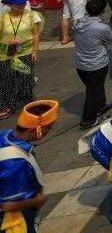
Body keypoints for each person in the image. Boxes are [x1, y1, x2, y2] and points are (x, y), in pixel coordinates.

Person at [0, 100, 58, 233]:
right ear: (34, 130)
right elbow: (8, 205)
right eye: (48, 128)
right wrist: (38, 201)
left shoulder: (5, 134)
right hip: (14, 219)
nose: (48, 131)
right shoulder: (15, 164)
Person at [74, 0, 112, 128]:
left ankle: (101, 105)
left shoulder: (78, 23)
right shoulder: (101, 28)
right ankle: (89, 119)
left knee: (95, 87)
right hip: (96, 65)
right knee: (93, 91)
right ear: (102, 11)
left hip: (81, 64)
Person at [0, 0, 42, 120]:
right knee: (6, 80)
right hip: (6, 54)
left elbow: (35, 35)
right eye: (19, 5)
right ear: (10, 5)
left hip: (26, 52)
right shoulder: (3, 18)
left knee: (26, 79)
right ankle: (7, 105)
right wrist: (9, 43)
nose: (22, 7)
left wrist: (35, 51)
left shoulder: (32, 16)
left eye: (23, 4)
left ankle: (28, 103)